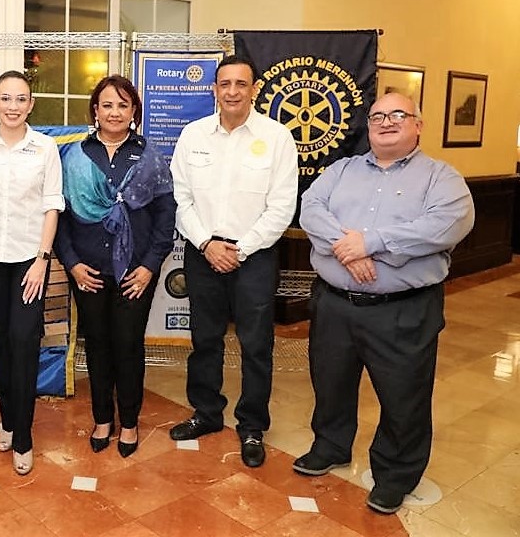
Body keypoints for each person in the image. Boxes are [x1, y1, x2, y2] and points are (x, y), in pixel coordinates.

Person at [296, 92, 474, 514]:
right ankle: (331, 446)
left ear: (418, 124)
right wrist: (349, 250)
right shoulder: (341, 170)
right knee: (331, 383)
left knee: (403, 395)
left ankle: (395, 474)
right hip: (334, 304)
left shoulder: (441, 178)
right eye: (378, 115)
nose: (386, 121)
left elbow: (444, 225)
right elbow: (311, 209)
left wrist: (370, 243)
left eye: (398, 114)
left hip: (403, 309)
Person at [169, 54, 298, 468]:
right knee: (204, 340)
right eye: (225, 84)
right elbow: (181, 198)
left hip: (254, 256)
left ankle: (252, 425)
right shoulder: (193, 135)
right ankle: (206, 414)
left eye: (241, 84)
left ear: (254, 89)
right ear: (214, 89)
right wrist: (207, 244)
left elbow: (281, 208)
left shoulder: (278, 138)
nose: (232, 92)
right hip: (203, 252)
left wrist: (240, 250)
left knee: (256, 345)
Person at [54, 74, 176, 458]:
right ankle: (102, 419)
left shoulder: (151, 157)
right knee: (98, 347)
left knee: (127, 346)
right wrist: (71, 264)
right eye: (107, 104)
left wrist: (150, 267)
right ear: (95, 110)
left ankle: (129, 422)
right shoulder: (74, 156)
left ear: (134, 112)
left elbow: (165, 216)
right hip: (87, 273)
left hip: (135, 275)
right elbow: (59, 216)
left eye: (123, 105)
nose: (114, 112)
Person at [0, 70, 64, 475]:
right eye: (5, 98)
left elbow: (52, 205)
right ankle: (7, 420)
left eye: (20, 99)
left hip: (29, 260)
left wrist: (42, 258)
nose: (12, 106)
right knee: (2, 344)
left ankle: (23, 436)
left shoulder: (45, 148)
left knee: (25, 342)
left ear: (31, 104)